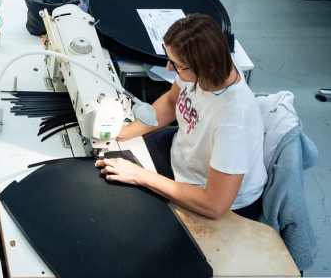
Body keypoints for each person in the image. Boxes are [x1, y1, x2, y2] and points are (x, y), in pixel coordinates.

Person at [96, 14, 267, 221]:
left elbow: (214, 205)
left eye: (176, 65)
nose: (169, 68)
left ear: (204, 67)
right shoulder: (207, 67)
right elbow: (171, 101)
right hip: (183, 156)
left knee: (123, 211)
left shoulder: (233, 121)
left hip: (214, 198)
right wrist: (124, 132)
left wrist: (139, 175)